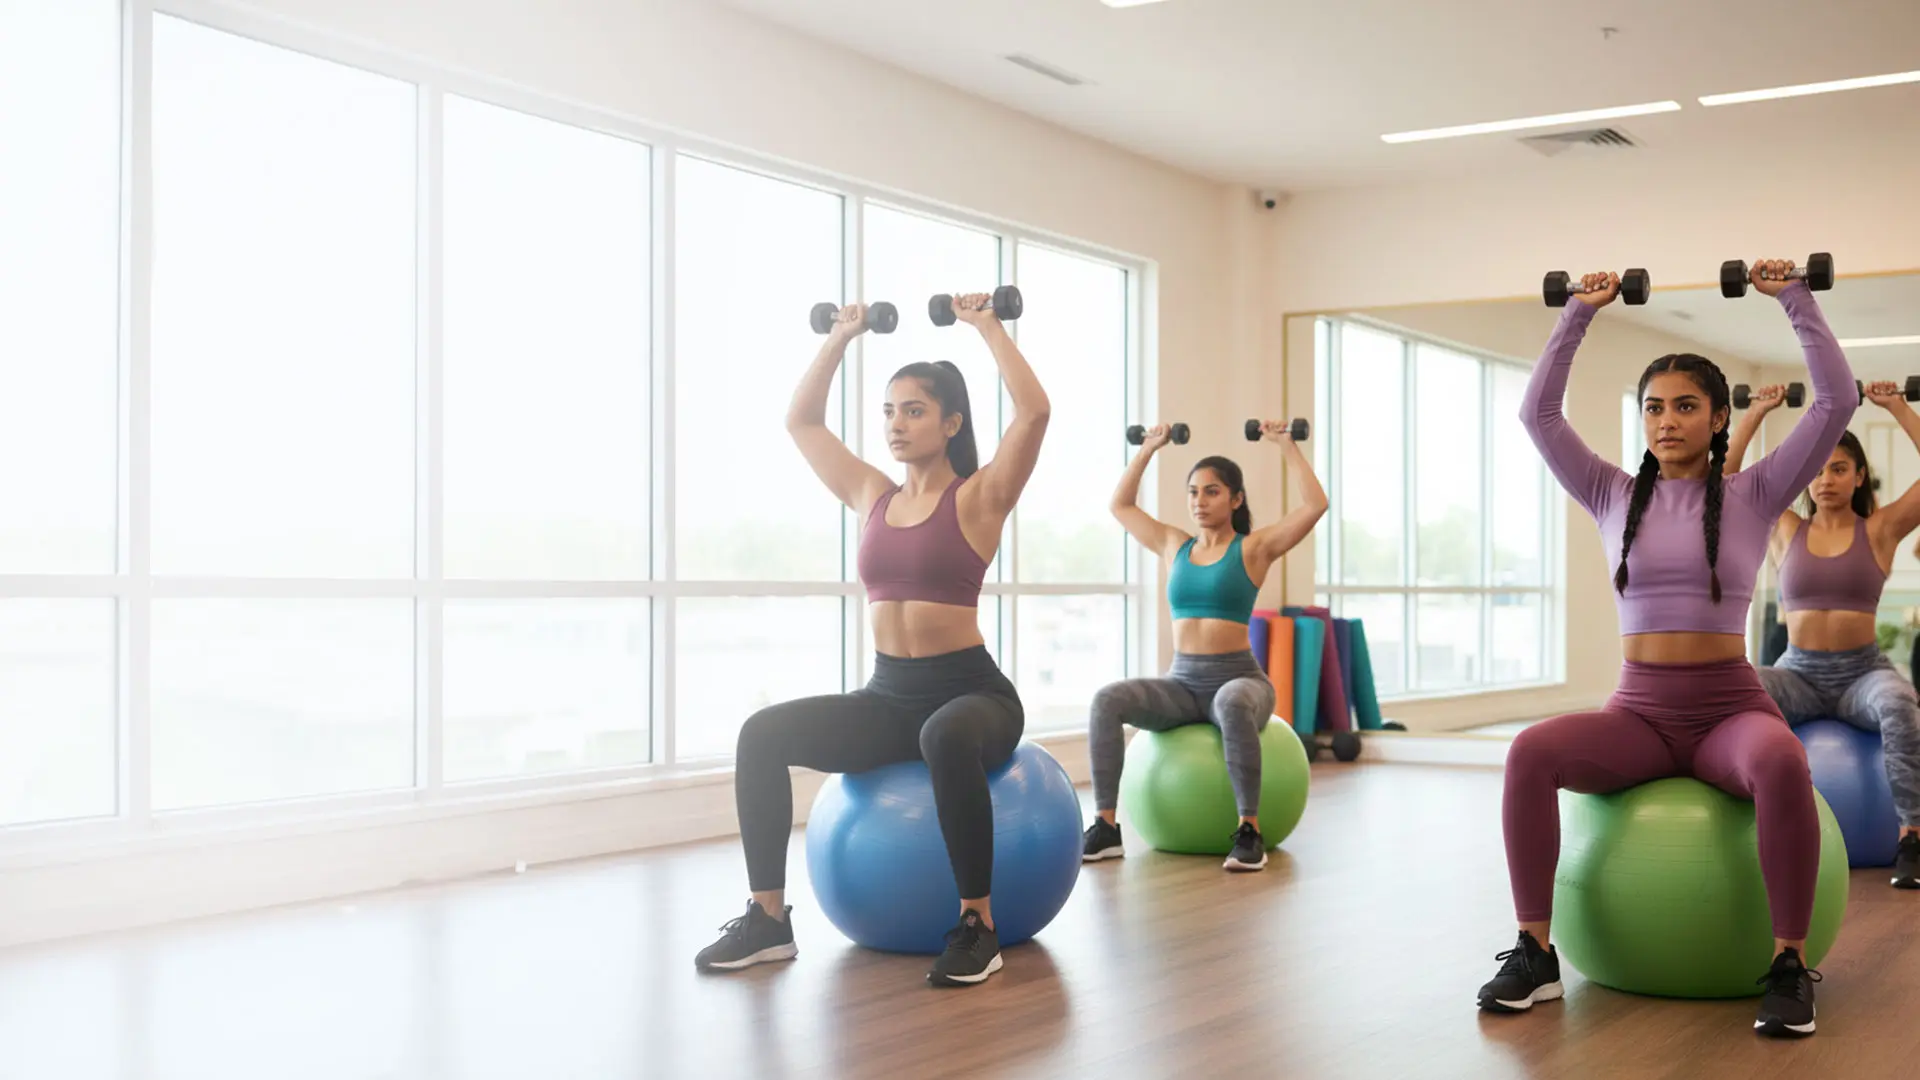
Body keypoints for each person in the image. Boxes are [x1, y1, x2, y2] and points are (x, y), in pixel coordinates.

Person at [1482, 262, 1855, 1039]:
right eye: (1654, 407)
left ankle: (1789, 964)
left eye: (1686, 406)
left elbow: (1835, 401)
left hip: (1728, 711)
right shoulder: (1610, 492)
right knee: (1529, 753)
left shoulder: (1756, 492)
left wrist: (1793, 297)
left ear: (1719, 419)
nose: (1667, 421)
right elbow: (1537, 413)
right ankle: (1536, 952)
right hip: (1639, 715)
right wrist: (1578, 313)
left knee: (1780, 759)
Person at [694, 293, 1048, 988]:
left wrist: (987, 326)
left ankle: (978, 926)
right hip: (889, 697)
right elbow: (802, 421)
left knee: (945, 734)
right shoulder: (872, 496)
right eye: (888, 411)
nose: (895, 424)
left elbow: (1034, 413)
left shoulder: (979, 498)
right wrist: (841, 336)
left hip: (972, 694)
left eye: (913, 411)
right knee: (761, 734)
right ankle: (768, 920)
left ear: (951, 423)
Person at [1080, 421, 1327, 871]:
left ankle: (1249, 832)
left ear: (1236, 499)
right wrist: (1149, 448)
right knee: (1106, 700)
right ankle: (1106, 827)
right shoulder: (1174, 545)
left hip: (1240, 679)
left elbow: (1315, 504)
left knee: (1232, 702)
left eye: (1212, 492)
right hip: (1183, 684)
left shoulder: (1253, 549)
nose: (1199, 501)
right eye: (1193, 492)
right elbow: (1121, 505)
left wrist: (1285, 443)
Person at [1726, 384, 1920, 889]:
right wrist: (1756, 411)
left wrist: (1898, 407)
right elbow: (1727, 482)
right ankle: (1739, 828)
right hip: (1799, 674)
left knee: (1899, 701)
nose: (1826, 479)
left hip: (1862, 674)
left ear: (1859, 476)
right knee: (1740, 689)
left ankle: (1912, 836)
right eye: (1816, 470)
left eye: (1838, 469)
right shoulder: (1784, 528)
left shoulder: (1879, 530)